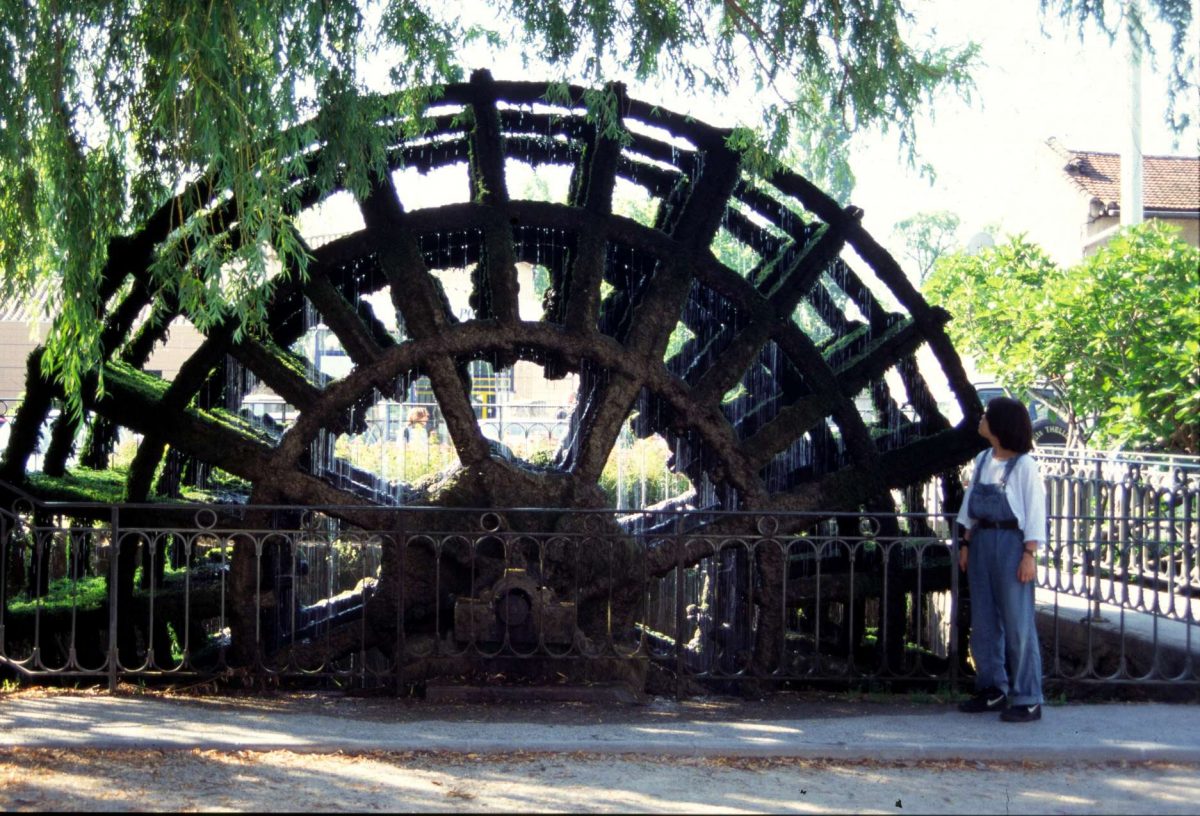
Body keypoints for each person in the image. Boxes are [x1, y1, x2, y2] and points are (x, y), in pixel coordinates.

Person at [956, 396, 1047, 723]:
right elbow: (969, 505)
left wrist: (1029, 554)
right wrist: (965, 543)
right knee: (983, 622)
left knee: (1017, 623)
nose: (980, 420)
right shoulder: (982, 459)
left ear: (1000, 424)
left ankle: (1028, 697)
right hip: (981, 540)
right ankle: (992, 688)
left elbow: (1034, 512)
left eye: (986, 416)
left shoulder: (1024, 466)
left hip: (1011, 543)